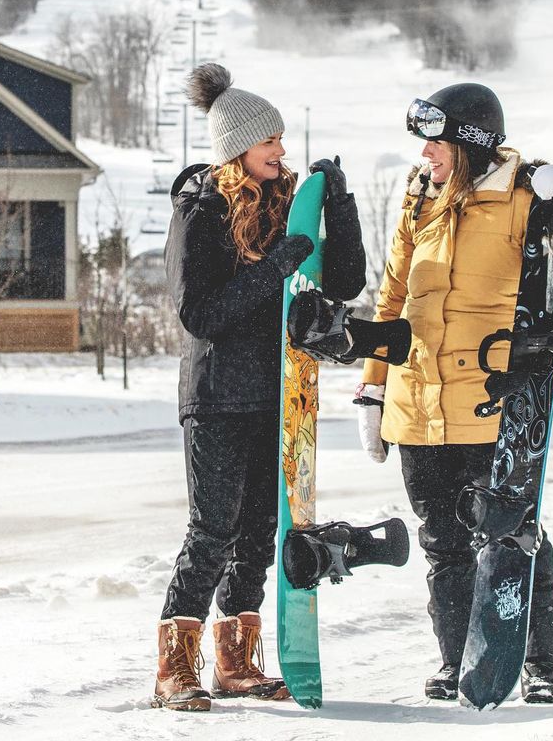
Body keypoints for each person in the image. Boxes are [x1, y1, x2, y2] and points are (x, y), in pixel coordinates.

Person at [352, 83, 553, 705]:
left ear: (468, 141)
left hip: (491, 400)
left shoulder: (526, 195)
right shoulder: (418, 196)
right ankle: (461, 660)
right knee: (442, 541)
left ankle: (538, 661)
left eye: (436, 141)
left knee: (511, 534)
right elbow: (393, 294)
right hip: (417, 398)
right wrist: (374, 388)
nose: (425, 153)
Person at [153, 63, 367, 711]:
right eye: (269, 140)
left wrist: (340, 206)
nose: (281, 150)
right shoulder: (201, 212)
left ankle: (237, 665)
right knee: (212, 531)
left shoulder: (284, 206)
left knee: (257, 537)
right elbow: (201, 314)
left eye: (279, 138)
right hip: (217, 396)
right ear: (237, 148)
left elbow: (347, 282)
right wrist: (278, 263)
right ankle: (173, 670)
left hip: (275, 395)